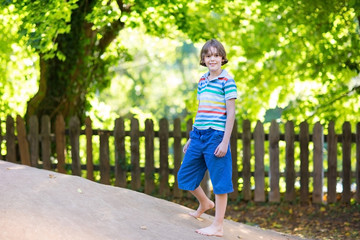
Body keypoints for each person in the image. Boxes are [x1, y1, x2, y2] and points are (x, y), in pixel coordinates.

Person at [177, 39, 237, 237]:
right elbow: (201, 110)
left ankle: (218, 226)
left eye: (216, 55)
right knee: (185, 176)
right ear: (203, 59)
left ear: (222, 58)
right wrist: (192, 136)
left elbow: (231, 113)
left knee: (220, 183)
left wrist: (225, 142)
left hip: (216, 136)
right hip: (199, 135)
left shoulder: (227, 80)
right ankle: (204, 202)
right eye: (208, 55)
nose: (212, 59)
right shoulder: (202, 80)